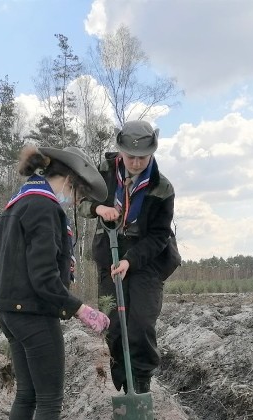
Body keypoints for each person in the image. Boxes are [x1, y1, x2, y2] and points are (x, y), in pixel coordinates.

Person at [0, 144, 110, 420]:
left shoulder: (16, 204)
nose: (74, 201)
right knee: (49, 401)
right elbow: (43, 276)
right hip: (34, 314)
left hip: (9, 312)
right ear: (70, 182)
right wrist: (79, 309)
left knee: (25, 396)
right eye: (78, 194)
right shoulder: (44, 207)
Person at [86, 120, 176, 394]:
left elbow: (160, 235)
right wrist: (98, 208)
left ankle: (141, 383)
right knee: (113, 322)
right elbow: (79, 201)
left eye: (142, 157)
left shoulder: (162, 187)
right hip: (110, 253)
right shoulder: (103, 172)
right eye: (130, 157)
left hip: (147, 258)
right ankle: (123, 381)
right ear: (120, 150)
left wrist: (131, 260)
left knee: (141, 322)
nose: (136, 163)